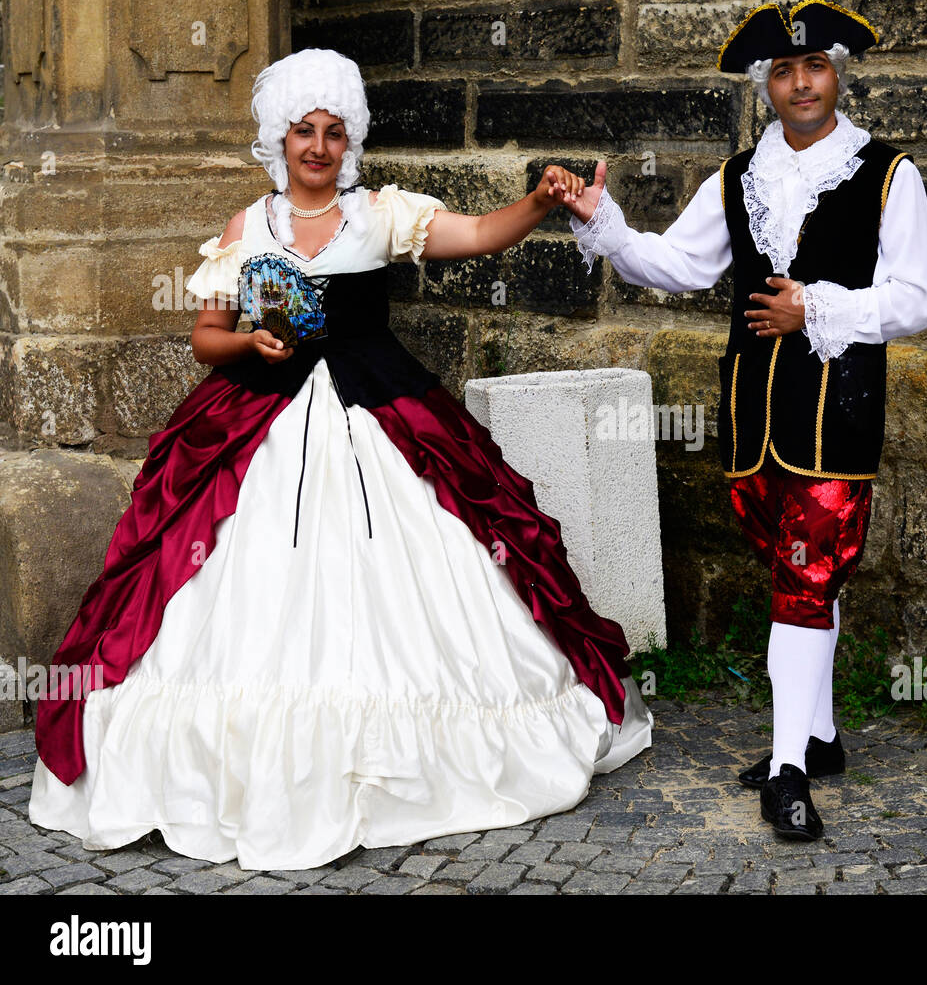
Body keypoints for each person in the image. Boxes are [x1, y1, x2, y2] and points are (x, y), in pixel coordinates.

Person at [27, 47, 652, 871]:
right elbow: (204, 336)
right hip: (260, 420)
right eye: (302, 132)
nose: (316, 147)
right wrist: (244, 340)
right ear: (279, 140)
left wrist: (538, 200)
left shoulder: (381, 215)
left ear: (348, 139)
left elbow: (477, 235)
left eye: (330, 132)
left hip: (379, 415)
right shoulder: (246, 229)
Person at [558, 0, 927, 841]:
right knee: (797, 574)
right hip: (751, 411)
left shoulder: (886, 173)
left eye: (816, 68)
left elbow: (914, 301)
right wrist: (604, 225)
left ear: (838, 73)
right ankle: (823, 736)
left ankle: (789, 769)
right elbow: (682, 265)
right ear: (767, 84)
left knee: (805, 577)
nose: (801, 84)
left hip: (836, 413)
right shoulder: (737, 177)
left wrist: (819, 309)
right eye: (784, 72)